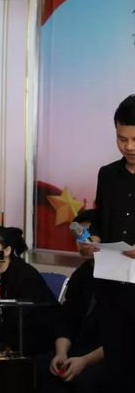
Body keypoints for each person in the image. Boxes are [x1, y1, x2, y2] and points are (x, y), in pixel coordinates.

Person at [79, 94, 135, 390]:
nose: (129, 147)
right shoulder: (108, 174)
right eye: (122, 139)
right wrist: (93, 242)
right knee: (115, 373)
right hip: (113, 289)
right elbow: (101, 222)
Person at [37, 210, 107, 393]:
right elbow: (67, 318)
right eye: (78, 237)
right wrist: (61, 353)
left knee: (87, 379)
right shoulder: (81, 274)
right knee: (45, 366)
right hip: (80, 347)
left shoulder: (123, 276)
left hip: (110, 354)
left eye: (88, 236)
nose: (83, 242)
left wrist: (84, 361)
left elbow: (123, 334)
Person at [0, 226, 59, 356]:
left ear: (7, 250)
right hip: (10, 332)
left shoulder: (25, 275)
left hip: (36, 336)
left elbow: (23, 316)